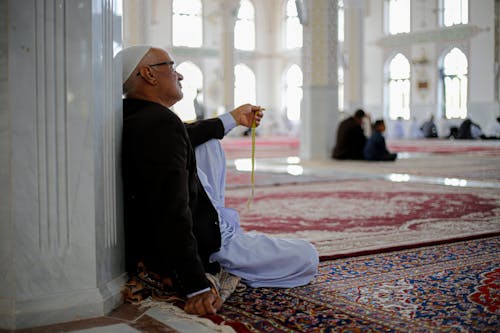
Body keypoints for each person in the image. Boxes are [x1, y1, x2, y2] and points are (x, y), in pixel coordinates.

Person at [117, 45, 318, 316]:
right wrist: (195, 283)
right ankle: (222, 253)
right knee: (307, 256)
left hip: (170, 233)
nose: (179, 75)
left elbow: (187, 135)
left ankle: (219, 228)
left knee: (207, 141)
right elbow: (170, 210)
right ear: (149, 75)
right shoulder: (160, 123)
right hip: (200, 242)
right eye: (171, 67)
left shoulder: (134, 116)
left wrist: (232, 119)